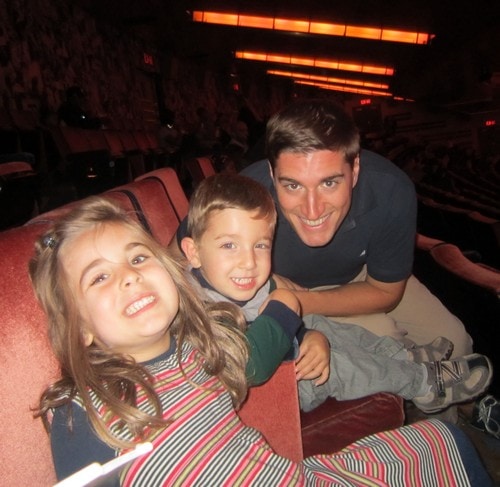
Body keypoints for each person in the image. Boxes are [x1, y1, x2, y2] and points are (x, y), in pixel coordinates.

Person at [30, 196, 492, 486]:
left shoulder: (198, 344)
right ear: (79, 328)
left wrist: (308, 331)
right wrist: (285, 308)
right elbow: (257, 359)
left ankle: (413, 366)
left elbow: (260, 352)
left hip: (277, 475)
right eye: (99, 277)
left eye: (137, 258)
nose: (129, 277)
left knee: (441, 442)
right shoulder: (83, 408)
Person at [179, 174, 492, 414]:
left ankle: (402, 356)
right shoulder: (201, 309)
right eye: (229, 245)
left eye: (260, 245)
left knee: (318, 323)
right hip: (269, 393)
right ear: (193, 252)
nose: (249, 262)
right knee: (337, 366)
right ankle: (422, 385)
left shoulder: (233, 281)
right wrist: (286, 306)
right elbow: (252, 367)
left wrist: (309, 335)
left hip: (280, 359)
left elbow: (284, 327)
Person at [239, 98, 472, 358]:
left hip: (362, 276)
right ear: (272, 175)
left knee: (456, 345)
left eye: (329, 183)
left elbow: (385, 291)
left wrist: (298, 301)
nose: (312, 210)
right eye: (293, 186)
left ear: (355, 169)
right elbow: (203, 266)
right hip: (277, 289)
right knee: (385, 339)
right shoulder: (242, 199)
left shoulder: (390, 190)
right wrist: (270, 284)